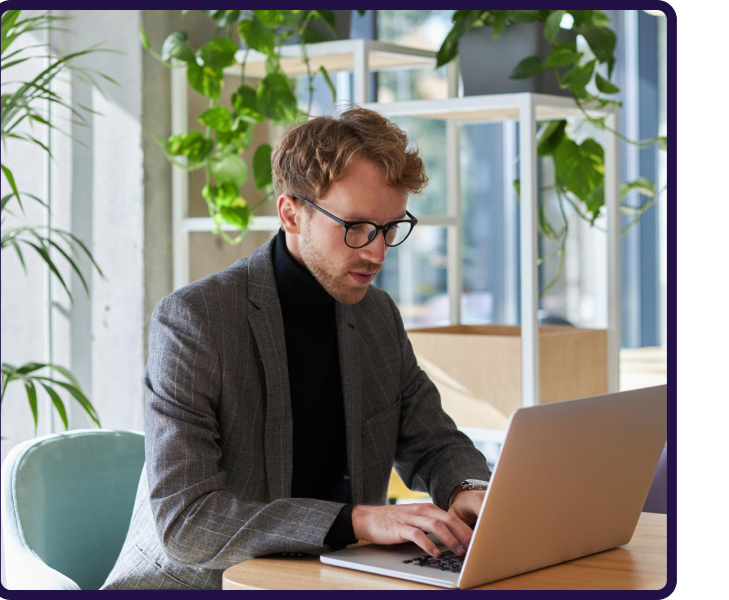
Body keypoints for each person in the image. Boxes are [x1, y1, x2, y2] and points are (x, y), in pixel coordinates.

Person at [101, 105, 493, 591]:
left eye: (390, 228)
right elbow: (189, 523)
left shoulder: (377, 316)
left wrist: (468, 488)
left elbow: (435, 442)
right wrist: (358, 522)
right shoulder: (195, 321)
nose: (376, 252)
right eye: (355, 227)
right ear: (291, 213)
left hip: (328, 580)